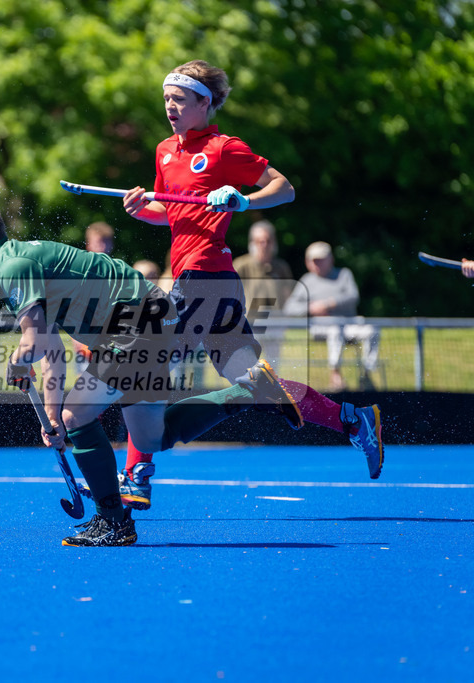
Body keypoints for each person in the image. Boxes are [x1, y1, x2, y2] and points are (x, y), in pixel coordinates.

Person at [0, 203, 302, 547]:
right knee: (150, 437)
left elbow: (33, 342)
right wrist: (52, 417)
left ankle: (113, 522)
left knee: (77, 414)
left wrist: (18, 361)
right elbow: (51, 350)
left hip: (135, 323)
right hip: (149, 320)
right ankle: (250, 390)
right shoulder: (16, 264)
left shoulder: (14, 266)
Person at [120, 59, 383, 506]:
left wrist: (243, 201)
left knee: (144, 359)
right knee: (254, 384)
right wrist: (141, 210)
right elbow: (172, 213)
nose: (169, 106)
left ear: (204, 103)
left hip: (205, 276)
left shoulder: (224, 149)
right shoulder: (165, 151)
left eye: (179, 99)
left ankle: (136, 472)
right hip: (203, 280)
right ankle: (352, 419)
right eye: (166, 98)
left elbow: (284, 188)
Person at [283, 241, 381, 391]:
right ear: (307, 262)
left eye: (321, 260)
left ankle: (367, 373)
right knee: (335, 330)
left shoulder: (343, 275)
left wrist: (329, 304)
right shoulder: (307, 281)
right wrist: (311, 308)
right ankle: (335, 375)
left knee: (372, 330)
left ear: (331, 259)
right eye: (314, 260)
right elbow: (289, 308)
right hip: (321, 328)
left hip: (348, 325)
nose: (317, 264)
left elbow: (353, 296)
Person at [232, 219, 295, 365]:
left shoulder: (281, 267)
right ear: (252, 242)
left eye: (268, 241)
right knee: (249, 366)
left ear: (274, 242)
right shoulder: (241, 265)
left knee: (273, 365)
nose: (264, 245)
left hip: (275, 323)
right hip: (250, 324)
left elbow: (288, 294)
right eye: (260, 241)